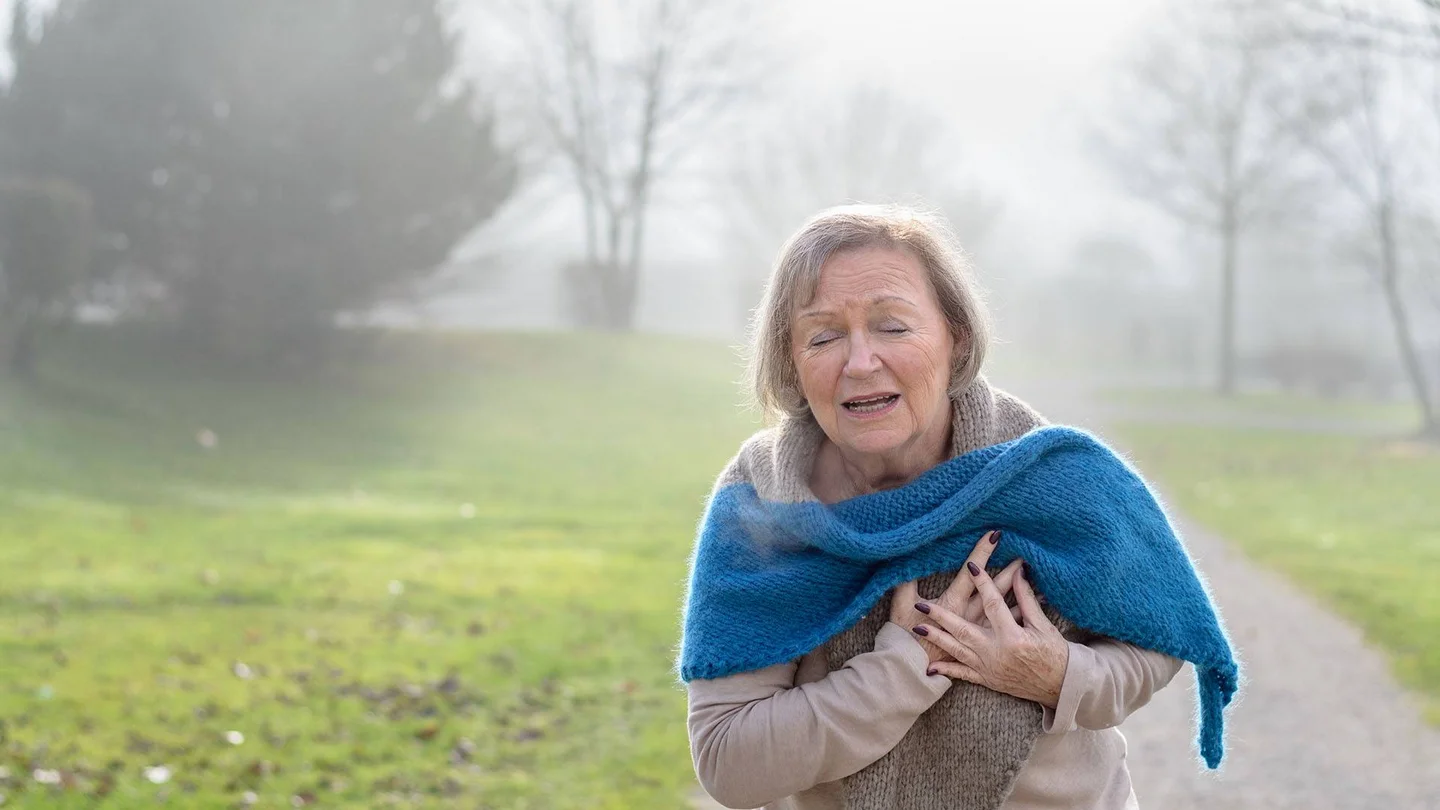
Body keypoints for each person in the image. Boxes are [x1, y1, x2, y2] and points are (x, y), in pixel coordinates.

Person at [685, 204, 1186, 810]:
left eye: (893, 327)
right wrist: (903, 668)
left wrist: (1059, 675)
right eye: (823, 336)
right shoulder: (763, 502)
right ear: (791, 362)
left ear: (957, 336)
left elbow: (1158, 641)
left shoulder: (1048, 474)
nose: (860, 362)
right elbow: (728, 762)